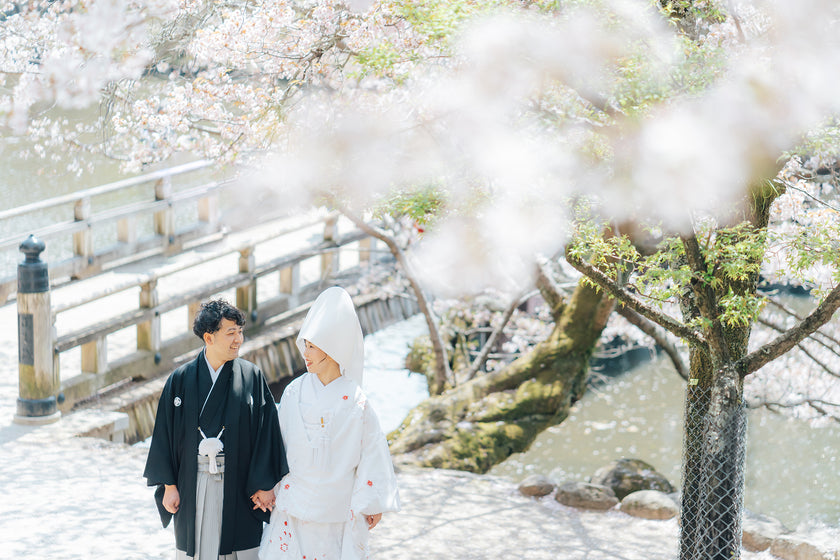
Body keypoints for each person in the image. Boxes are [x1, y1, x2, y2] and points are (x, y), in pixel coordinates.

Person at [259, 286, 400, 560]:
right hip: (294, 499)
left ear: (333, 349)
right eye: (306, 346)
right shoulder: (293, 392)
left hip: (337, 503)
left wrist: (372, 502)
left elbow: (372, 452)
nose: (306, 354)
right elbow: (276, 443)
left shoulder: (356, 400)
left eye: (313, 347)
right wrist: (267, 486)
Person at [144, 299, 288, 560]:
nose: (238, 340)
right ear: (209, 338)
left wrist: (266, 484)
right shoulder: (181, 379)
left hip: (240, 482)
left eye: (240, 332)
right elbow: (164, 435)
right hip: (191, 482)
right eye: (231, 333)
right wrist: (169, 485)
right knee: (197, 549)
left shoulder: (251, 376)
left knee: (240, 549)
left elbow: (268, 433)